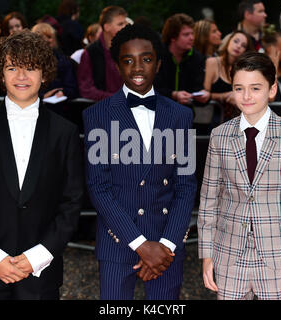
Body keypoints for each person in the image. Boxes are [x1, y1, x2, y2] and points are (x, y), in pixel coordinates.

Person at [0, 30, 84, 300]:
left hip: (41, 270)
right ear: (1, 74)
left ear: (45, 74)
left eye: (31, 67)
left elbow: (72, 201)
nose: (22, 76)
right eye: (13, 67)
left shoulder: (66, 133)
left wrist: (39, 255)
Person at [83, 23, 197, 299]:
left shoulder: (181, 116)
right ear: (117, 66)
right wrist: (141, 245)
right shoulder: (97, 116)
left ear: (158, 64)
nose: (137, 68)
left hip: (166, 243)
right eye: (128, 60)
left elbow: (186, 185)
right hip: (118, 242)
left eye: (146, 59)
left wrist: (166, 246)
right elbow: (99, 187)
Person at [198, 51, 281, 300]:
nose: (246, 96)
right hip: (229, 256)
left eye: (255, 88)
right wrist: (207, 256)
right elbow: (209, 203)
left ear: (272, 89)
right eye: (239, 88)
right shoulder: (219, 136)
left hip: (279, 258)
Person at [154, 13, 210, 107]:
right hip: (158, 114)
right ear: (173, 37)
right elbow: (151, 88)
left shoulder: (197, 58)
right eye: (186, 34)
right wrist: (173, 94)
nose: (191, 38)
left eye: (192, 33)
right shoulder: (157, 56)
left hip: (185, 115)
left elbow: (198, 88)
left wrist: (204, 96)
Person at [77, 5, 127, 101]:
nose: (126, 27)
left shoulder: (130, 50)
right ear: (106, 27)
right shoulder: (91, 53)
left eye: (125, 23)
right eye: (120, 24)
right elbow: (86, 90)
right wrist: (114, 98)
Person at [204, 30, 254, 122]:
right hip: (216, 119)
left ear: (245, 51)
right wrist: (226, 96)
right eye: (236, 41)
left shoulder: (246, 69)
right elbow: (205, 95)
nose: (238, 46)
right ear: (228, 42)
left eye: (243, 46)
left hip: (242, 121)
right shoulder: (212, 62)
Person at [32, 22, 79, 118]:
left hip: (59, 113)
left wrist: (63, 92)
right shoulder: (26, 63)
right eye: (41, 37)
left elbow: (72, 88)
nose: (46, 40)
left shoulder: (64, 62)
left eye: (49, 37)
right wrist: (41, 97)